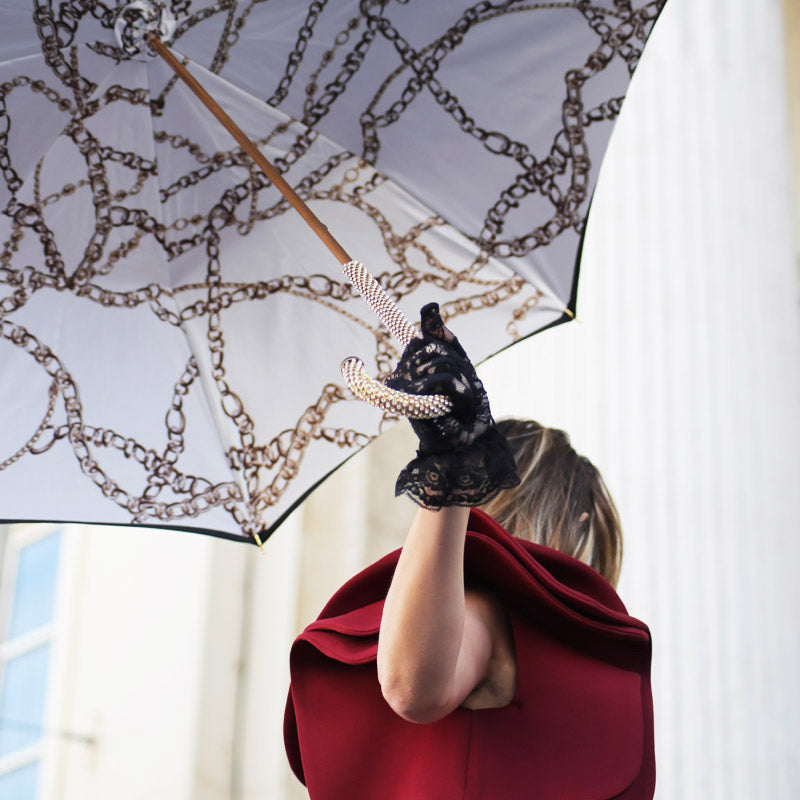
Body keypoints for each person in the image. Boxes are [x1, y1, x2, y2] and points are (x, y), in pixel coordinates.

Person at [284, 305, 654, 799]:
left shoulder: (482, 620)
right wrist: (451, 467)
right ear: (575, 524)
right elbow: (410, 688)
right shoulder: (488, 615)